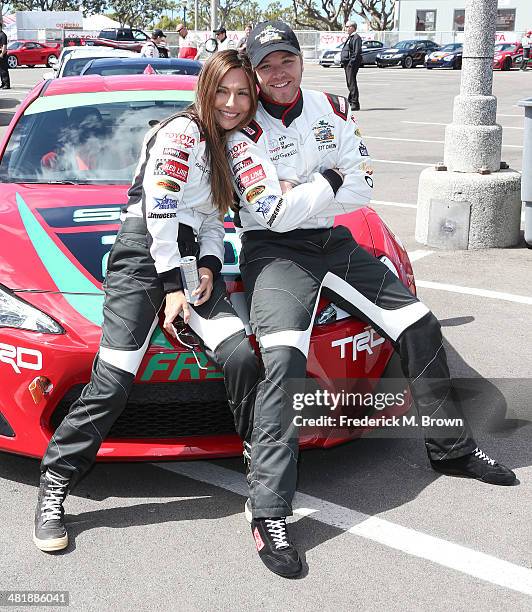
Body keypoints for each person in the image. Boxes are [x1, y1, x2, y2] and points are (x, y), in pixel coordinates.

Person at [227, 20, 517, 578]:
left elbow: (363, 182)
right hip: (275, 252)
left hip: (335, 241)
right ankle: (268, 511)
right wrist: (327, 180)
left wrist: (311, 187)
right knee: (282, 361)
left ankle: (450, 450)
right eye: (266, 65)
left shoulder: (331, 106)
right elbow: (271, 213)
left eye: (285, 58)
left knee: (420, 324)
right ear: (255, 73)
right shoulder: (241, 125)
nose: (278, 71)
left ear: (301, 60)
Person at [33, 50, 261, 553]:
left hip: (185, 262)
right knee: (113, 379)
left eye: (243, 93)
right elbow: (160, 213)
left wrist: (205, 264)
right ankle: (55, 485)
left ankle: (261, 476)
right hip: (142, 255)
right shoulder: (182, 133)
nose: (232, 102)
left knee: (242, 356)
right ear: (205, 89)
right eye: (223, 91)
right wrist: (173, 287)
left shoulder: (229, 146)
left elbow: (207, 220)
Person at [340, 21, 362, 111]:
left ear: (353, 27)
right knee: (350, 83)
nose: (346, 28)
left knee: (352, 83)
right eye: (346, 26)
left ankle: (355, 103)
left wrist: (351, 63)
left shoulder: (356, 38)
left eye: (348, 26)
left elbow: (356, 52)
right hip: (347, 63)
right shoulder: (351, 37)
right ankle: (350, 100)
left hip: (351, 64)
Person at [0, 21, 10, 90]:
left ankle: (6, 84)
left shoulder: (3, 35)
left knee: (3, 70)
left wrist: (2, 54)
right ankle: (3, 83)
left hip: (2, 54)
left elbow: (4, 46)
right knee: (0, 70)